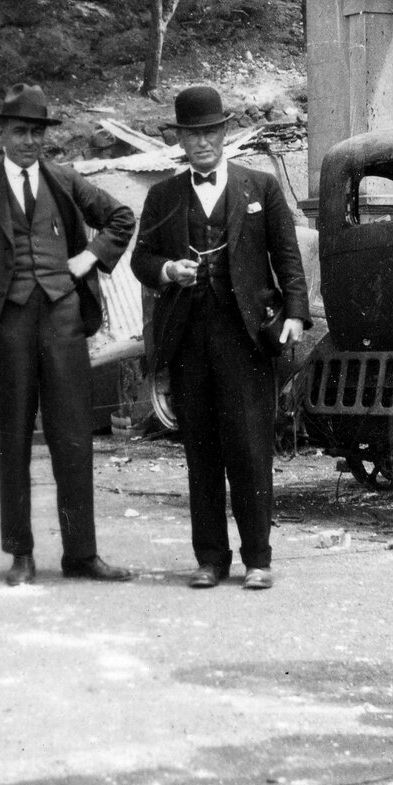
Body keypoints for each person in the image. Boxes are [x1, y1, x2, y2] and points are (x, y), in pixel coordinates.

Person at [0, 83, 136, 586]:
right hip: (6, 328)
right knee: (13, 440)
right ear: (2, 135)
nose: (29, 141)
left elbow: (121, 217)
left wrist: (88, 257)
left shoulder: (64, 180)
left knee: (73, 438)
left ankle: (81, 554)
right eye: (19, 131)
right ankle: (21, 554)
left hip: (63, 323)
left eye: (36, 132)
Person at [131, 85, 311, 590]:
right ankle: (210, 559)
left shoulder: (261, 186)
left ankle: (258, 559)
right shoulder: (163, 196)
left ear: (224, 133)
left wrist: (296, 313)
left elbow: (286, 254)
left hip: (245, 338)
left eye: (210, 132)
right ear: (180, 140)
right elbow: (140, 260)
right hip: (187, 340)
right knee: (201, 452)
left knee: (251, 449)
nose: (203, 142)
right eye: (192, 134)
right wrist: (169, 270)